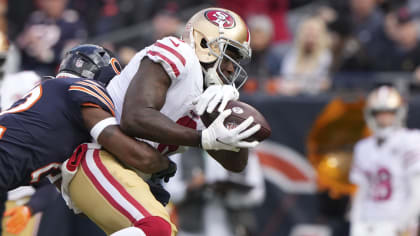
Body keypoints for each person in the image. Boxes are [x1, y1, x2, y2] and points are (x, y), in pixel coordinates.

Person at [64, 7, 262, 236]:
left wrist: (227, 114)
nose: (231, 67)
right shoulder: (178, 53)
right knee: (157, 230)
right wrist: (204, 138)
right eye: (230, 53)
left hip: (126, 170)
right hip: (97, 155)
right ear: (205, 43)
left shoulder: (207, 96)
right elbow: (135, 118)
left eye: (237, 60)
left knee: (162, 231)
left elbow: (236, 164)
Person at [0, 44, 172, 232]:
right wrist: (163, 165)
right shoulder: (81, 89)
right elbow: (118, 142)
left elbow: (77, 198)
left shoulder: (53, 109)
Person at [349, 86, 420, 236]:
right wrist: (355, 222)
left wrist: (401, 225)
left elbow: (417, 194)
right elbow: (360, 191)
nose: (384, 118)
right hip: (369, 223)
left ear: (399, 113)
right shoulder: (363, 147)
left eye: (389, 113)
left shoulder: (411, 140)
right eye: (379, 113)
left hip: (398, 222)